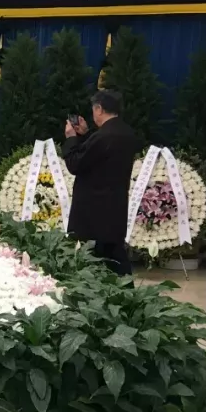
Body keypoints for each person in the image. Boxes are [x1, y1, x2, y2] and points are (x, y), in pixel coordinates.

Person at [63, 89, 141, 276]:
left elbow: (75, 163)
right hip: (115, 205)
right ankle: (125, 291)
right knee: (115, 257)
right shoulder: (126, 132)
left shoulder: (104, 136)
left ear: (99, 109)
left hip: (93, 210)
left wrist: (71, 138)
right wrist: (86, 134)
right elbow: (98, 157)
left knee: (95, 260)